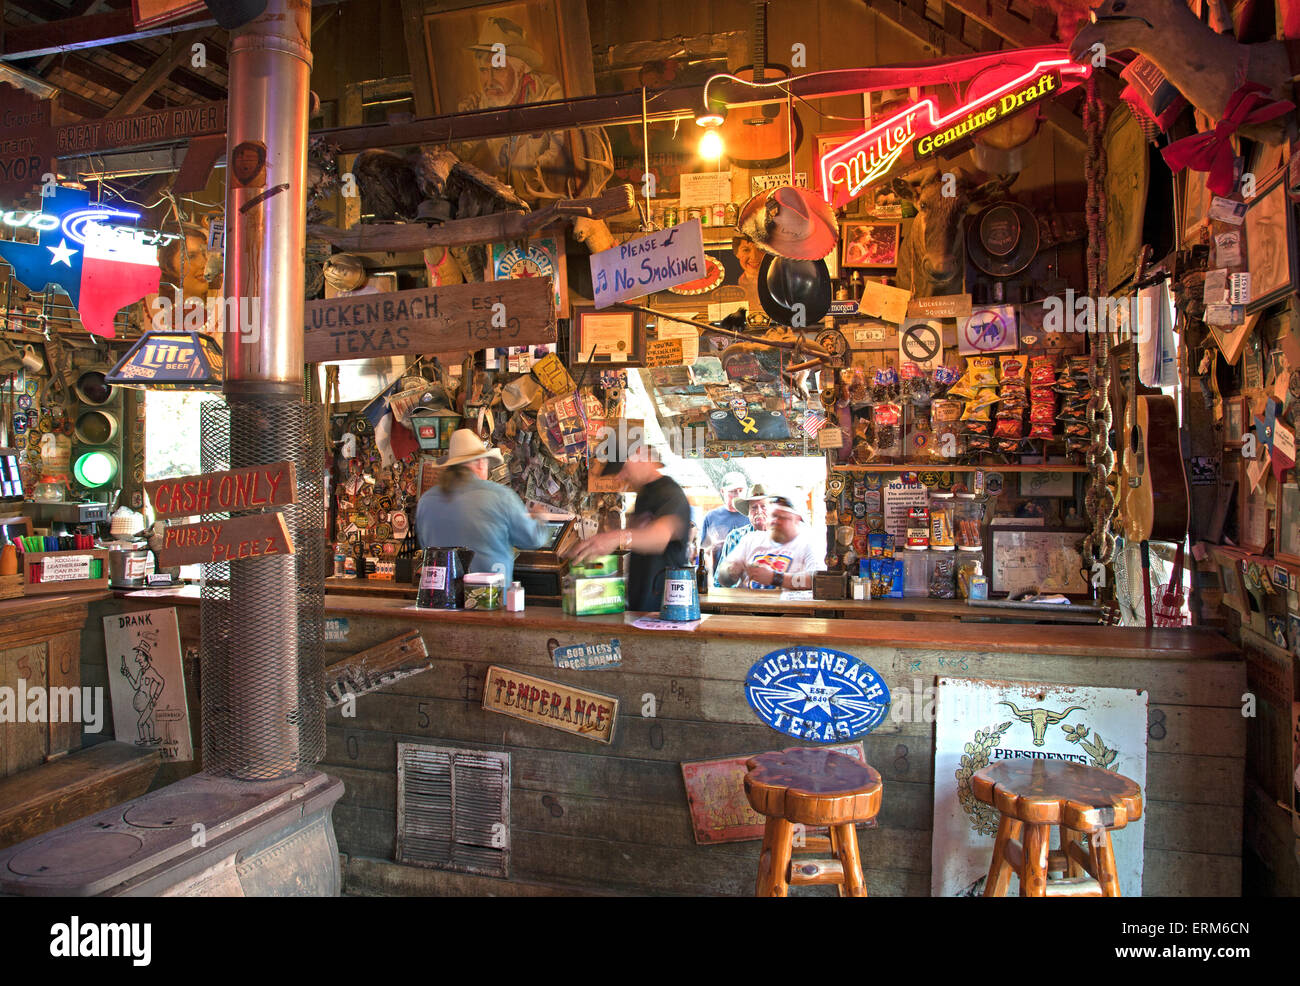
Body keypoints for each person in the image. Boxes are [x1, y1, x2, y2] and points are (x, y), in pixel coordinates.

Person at [566, 444, 690, 612]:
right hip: (641, 606)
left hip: (665, 608)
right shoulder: (644, 495)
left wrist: (617, 537)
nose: (619, 477)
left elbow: (659, 538)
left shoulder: (670, 492)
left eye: (623, 468)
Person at [415, 429, 549, 583]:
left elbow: (426, 547)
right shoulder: (501, 496)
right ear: (480, 462)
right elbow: (533, 539)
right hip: (489, 598)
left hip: (441, 597)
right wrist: (540, 519)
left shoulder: (426, 501)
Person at [715, 492, 823, 590]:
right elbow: (722, 578)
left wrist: (774, 578)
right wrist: (730, 571)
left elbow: (819, 581)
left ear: (797, 519)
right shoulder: (750, 539)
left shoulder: (809, 543)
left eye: (783, 517)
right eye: (774, 515)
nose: (776, 521)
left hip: (789, 610)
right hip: (746, 608)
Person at [713, 482, 773, 586]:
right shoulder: (735, 537)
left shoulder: (781, 538)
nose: (759, 511)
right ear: (748, 512)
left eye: (763, 506)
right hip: (740, 598)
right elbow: (719, 582)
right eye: (754, 507)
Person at [699, 471, 750, 569]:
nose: (737, 494)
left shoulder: (751, 516)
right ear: (722, 491)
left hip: (746, 577)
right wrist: (714, 546)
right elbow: (704, 552)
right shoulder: (711, 517)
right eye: (733, 491)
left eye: (741, 490)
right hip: (718, 575)